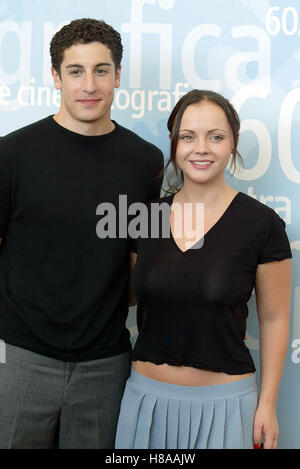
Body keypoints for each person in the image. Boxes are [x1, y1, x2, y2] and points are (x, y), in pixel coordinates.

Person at [0, 18, 163, 449]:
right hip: (21, 359)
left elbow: (140, 262)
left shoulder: (145, 161)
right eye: (75, 71)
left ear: (118, 75)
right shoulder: (11, 154)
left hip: (106, 365)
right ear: (56, 77)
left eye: (101, 70)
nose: (89, 84)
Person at [115, 89, 292, 450]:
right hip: (145, 402)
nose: (202, 148)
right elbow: (126, 294)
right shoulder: (145, 218)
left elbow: (274, 319)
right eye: (188, 136)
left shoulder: (262, 224)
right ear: (174, 143)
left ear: (233, 143)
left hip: (226, 408)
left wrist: (269, 404)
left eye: (216, 136)